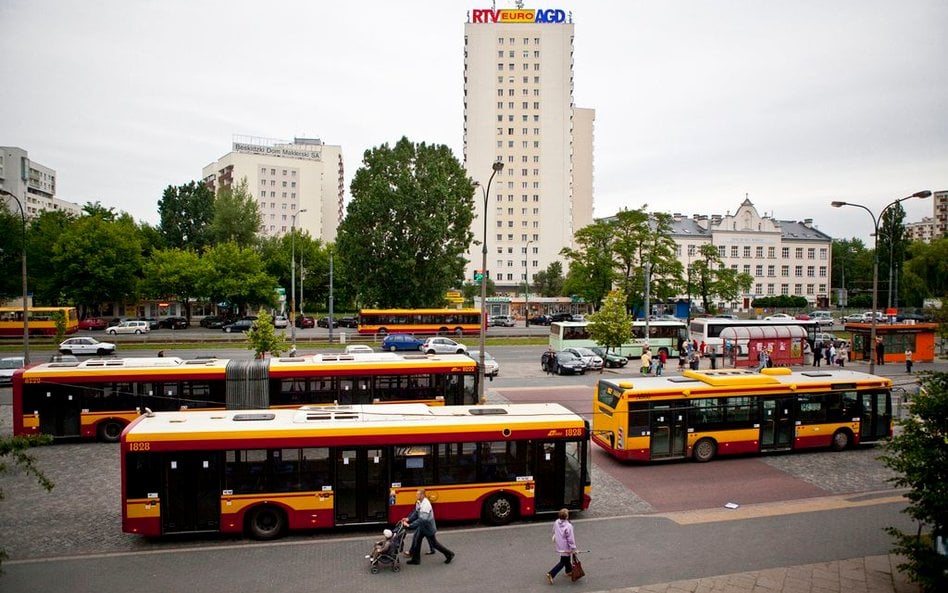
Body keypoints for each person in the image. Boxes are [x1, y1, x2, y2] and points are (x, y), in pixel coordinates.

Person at [401, 488, 454, 565]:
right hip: (423, 527)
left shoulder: (426, 505)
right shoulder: (419, 502)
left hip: (428, 528)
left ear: (422, 495)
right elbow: (416, 512)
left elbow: (422, 519)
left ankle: (449, 554)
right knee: (417, 540)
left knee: (434, 544)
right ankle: (415, 560)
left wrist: (410, 525)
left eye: (418, 494)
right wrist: (408, 519)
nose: (416, 495)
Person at [546, 508, 578, 585]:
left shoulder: (557, 522)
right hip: (566, 546)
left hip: (559, 544)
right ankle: (551, 574)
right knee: (563, 561)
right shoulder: (568, 526)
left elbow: (554, 530)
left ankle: (569, 571)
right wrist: (573, 548)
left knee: (566, 559)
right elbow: (570, 539)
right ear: (567, 517)